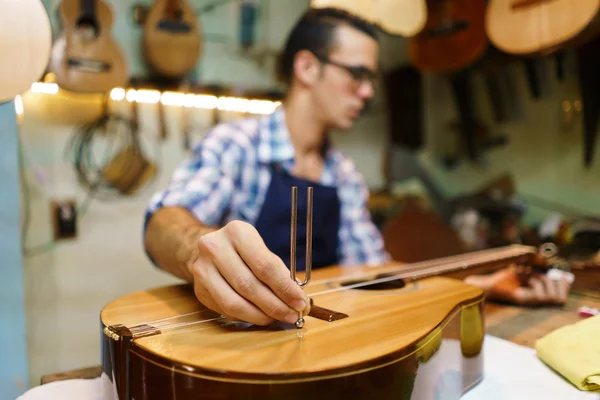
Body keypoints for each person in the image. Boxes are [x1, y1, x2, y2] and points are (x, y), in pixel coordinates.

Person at [143, 7, 572, 327]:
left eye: (373, 79)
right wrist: (195, 247)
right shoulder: (236, 145)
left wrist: (481, 285)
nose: (368, 92)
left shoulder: (343, 174)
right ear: (307, 67)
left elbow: (376, 276)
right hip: (236, 355)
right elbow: (163, 222)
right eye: (357, 74)